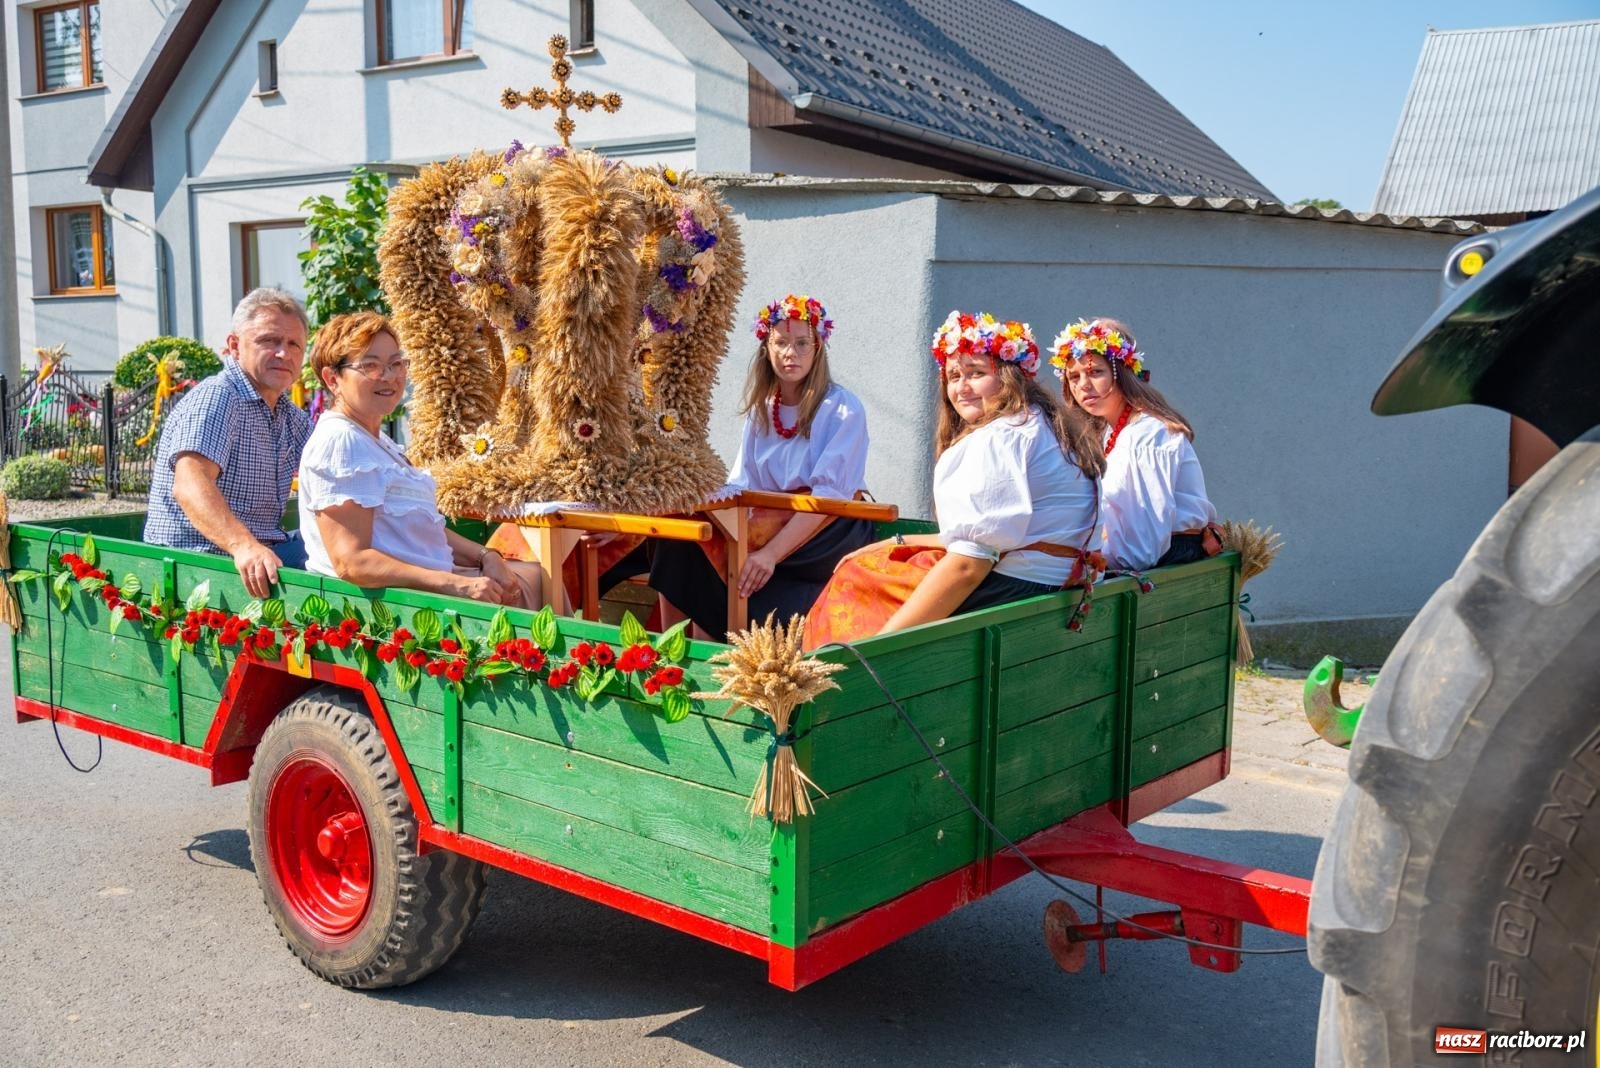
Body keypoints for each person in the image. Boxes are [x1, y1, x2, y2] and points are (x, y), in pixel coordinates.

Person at [804, 311, 1105, 647]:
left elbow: (968, 566)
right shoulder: (1044, 425)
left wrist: (879, 649)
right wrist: (896, 541)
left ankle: (832, 679)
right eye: (953, 376)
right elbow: (1003, 534)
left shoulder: (1000, 437)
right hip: (1055, 582)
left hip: (1017, 587)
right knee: (877, 561)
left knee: (859, 580)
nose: (962, 388)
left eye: (976, 373)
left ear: (1010, 375)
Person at [649, 294, 874, 638]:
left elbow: (829, 497)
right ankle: (677, 653)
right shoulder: (762, 410)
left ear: (817, 348)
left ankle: (714, 644)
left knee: (719, 553)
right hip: (768, 519)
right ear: (766, 348)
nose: (790, 353)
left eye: (801, 343)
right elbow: (742, 485)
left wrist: (769, 554)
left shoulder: (842, 408)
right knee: (679, 534)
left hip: (824, 527)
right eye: (781, 342)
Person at [297, 311, 541, 606]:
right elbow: (352, 562)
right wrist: (456, 584)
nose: (389, 377)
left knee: (533, 577)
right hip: (392, 606)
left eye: (396, 363)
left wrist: (487, 555)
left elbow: (421, 528)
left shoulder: (378, 442)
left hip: (423, 590)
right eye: (371, 365)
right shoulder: (341, 441)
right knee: (534, 588)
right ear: (332, 379)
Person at [144, 288, 313, 598]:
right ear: (235, 346)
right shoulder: (220, 396)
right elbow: (189, 484)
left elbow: (336, 468)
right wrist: (244, 546)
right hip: (199, 562)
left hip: (257, 555)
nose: (283, 353)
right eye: (269, 341)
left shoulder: (289, 415)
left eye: (293, 344)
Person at [1052, 318, 1218, 570]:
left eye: (1096, 372)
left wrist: (1091, 565)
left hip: (1164, 561)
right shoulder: (1112, 432)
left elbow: (1142, 547)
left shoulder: (1147, 433)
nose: (1083, 385)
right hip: (1133, 557)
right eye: (1073, 376)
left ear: (1122, 374)